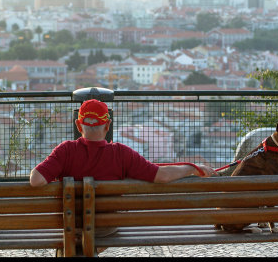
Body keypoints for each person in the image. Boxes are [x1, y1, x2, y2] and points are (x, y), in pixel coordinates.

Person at [29, 99, 215, 255]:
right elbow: (162, 175)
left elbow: (36, 180)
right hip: (105, 229)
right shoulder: (122, 154)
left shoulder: (65, 151)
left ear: (79, 125)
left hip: (71, 227)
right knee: (96, 230)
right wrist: (192, 168)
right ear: (108, 125)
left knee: (73, 234)